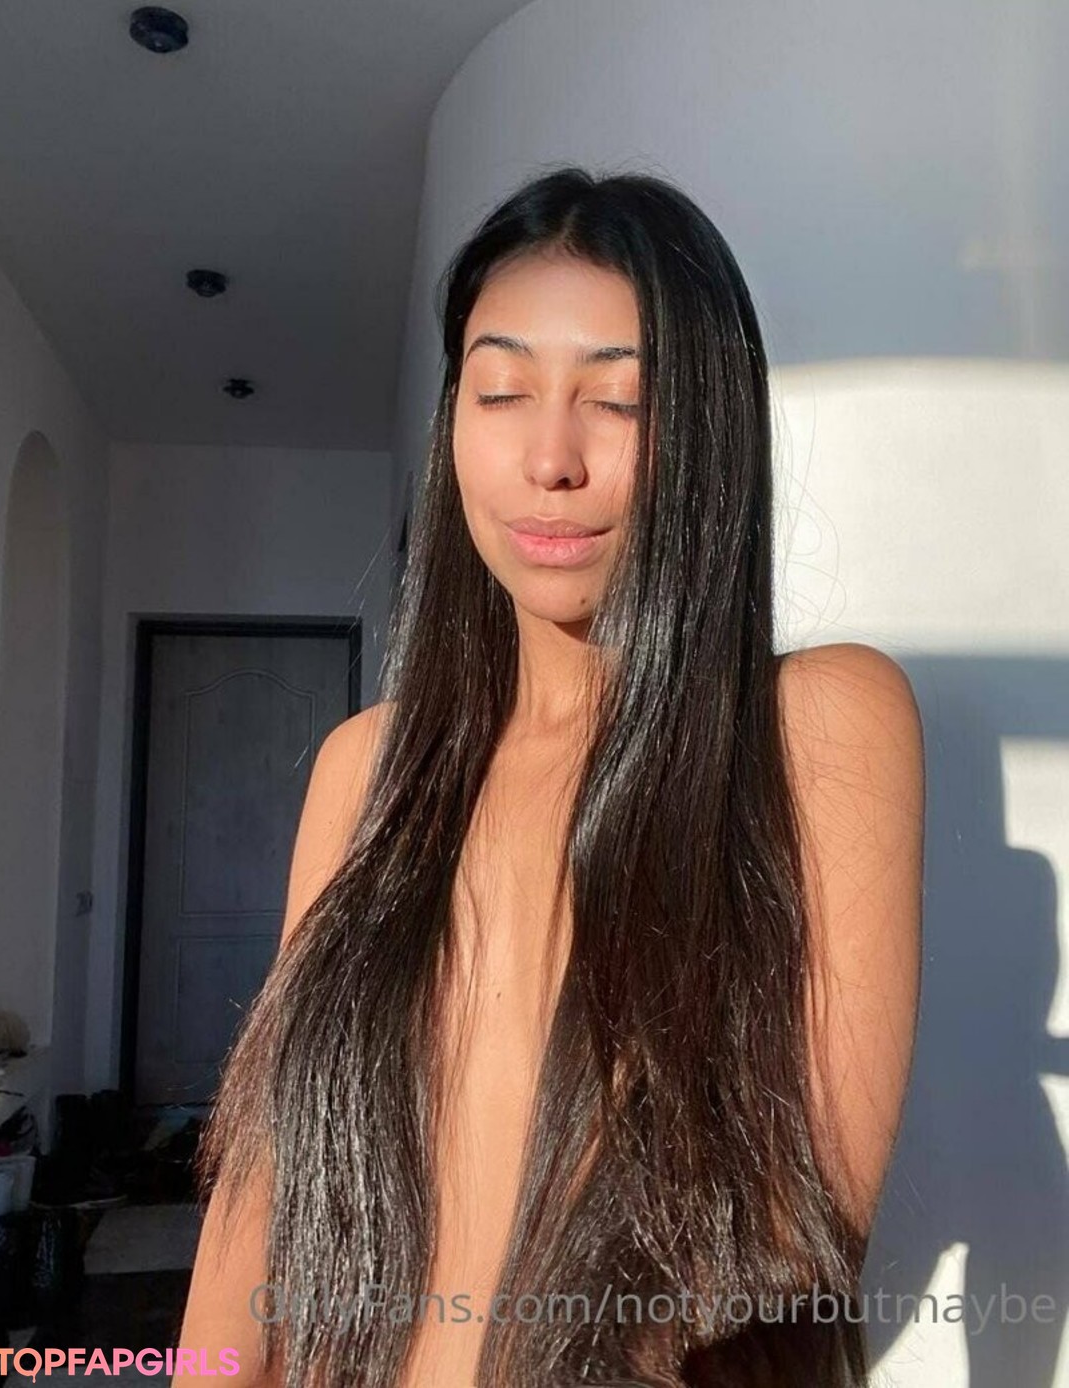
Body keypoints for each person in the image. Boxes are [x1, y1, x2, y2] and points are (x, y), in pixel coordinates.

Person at [174, 165, 925, 1388]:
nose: (549, 458)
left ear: (708, 433)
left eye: (618, 401)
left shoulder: (815, 726)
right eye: (503, 389)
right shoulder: (364, 769)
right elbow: (259, 1198)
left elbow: (791, 1231)